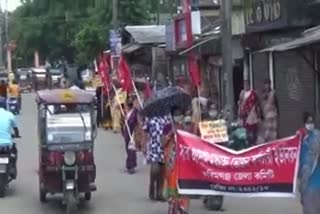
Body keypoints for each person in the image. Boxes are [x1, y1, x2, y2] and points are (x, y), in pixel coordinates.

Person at [162, 107, 190, 214]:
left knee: (184, 186)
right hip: (171, 162)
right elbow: (162, 143)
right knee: (172, 187)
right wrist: (170, 134)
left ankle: (183, 208)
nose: (178, 117)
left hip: (184, 160)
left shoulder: (186, 126)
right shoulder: (167, 127)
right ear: (172, 117)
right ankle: (173, 207)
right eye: (176, 115)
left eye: (180, 114)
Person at [143, 115, 170, 201]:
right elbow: (145, 132)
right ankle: (152, 189)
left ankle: (159, 193)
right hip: (154, 147)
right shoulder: (149, 118)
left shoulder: (167, 118)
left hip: (164, 147)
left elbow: (170, 131)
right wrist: (144, 145)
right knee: (155, 170)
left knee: (162, 171)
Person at [298, 113, 320, 214]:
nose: (310, 124)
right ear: (304, 123)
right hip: (307, 184)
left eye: (312, 122)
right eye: (308, 122)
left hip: (315, 185)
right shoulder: (300, 138)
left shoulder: (317, 136)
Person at [0, 97, 20, 179]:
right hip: (6, 145)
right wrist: (17, 135)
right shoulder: (9, 114)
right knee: (14, 153)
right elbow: (15, 128)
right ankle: (12, 168)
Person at [238, 80, 262, 146]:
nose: (246, 86)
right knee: (246, 130)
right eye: (245, 84)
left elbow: (257, 103)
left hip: (253, 113)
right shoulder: (242, 93)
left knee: (254, 129)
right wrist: (240, 113)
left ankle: (254, 142)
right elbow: (240, 103)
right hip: (245, 114)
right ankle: (248, 143)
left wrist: (258, 113)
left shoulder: (253, 93)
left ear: (249, 85)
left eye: (247, 84)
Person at [121, 96, 138, 174]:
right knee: (128, 149)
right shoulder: (128, 113)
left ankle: (131, 166)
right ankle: (130, 165)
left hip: (132, 133)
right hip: (127, 133)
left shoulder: (134, 113)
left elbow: (133, 123)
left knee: (131, 150)